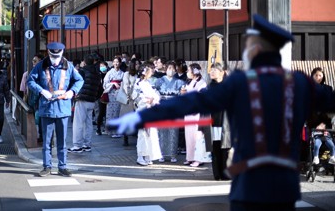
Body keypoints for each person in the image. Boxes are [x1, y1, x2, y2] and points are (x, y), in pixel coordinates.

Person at [108, 14, 335, 210]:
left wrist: (141, 116)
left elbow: (191, 102)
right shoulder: (300, 83)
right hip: (284, 183)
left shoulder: (241, 83)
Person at [27, 42, 84, 177]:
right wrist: (41, 91)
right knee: (46, 141)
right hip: (47, 108)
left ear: (62, 53)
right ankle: (47, 166)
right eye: (53, 56)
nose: (55, 59)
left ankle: (62, 166)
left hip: (63, 108)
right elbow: (30, 81)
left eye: (58, 56)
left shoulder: (68, 66)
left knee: (62, 141)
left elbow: (79, 80)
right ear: (49, 53)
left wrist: (72, 92)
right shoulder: (41, 66)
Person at [69, 54, 101, 153]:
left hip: (82, 99)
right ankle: (87, 144)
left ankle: (77, 145)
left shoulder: (82, 71)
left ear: (85, 62)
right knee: (88, 123)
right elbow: (100, 88)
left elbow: (75, 83)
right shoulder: (97, 73)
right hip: (92, 100)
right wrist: (95, 97)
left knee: (78, 123)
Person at [132, 62, 162, 166]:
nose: (152, 72)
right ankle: (140, 156)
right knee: (143, 134)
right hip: (142, 110)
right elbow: (135, 97)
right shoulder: (138, 83)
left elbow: (156, 95)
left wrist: (154, 100)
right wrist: (146, 100)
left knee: (151, 134)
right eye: (150, 69)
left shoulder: (148, 83)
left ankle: (149, 155)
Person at [155, 60, 185, 163]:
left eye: (173, 68)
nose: (171, 70)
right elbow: (155, 93)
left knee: (173, 131)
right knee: (161, 131)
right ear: (165, 69)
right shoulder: (159, 81)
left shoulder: (179, 82)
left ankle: (173, 154)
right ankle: (161, 154)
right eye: (169, 68)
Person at [181, 63, 208, 167]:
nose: (188, 72)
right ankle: (190, 157)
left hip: (196, 112)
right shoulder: (191, 81)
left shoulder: (202, 83)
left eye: (189, 70)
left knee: (197, 136)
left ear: (194, 72)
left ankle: (199, 158)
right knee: (189, 136)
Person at [209, 62, 231, 180]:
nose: (211, 72)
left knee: (226, 148)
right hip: (213, 122)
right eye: (211, 70)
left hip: (226, 122)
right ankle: (217, 174)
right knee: (215, 148)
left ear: (222, 72)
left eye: (214, 70)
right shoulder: (209, 87)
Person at [309, 67, 335, 165]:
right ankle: (314, 159)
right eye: (316, 75)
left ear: (323, 76)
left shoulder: (328, 89)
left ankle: (331, 157)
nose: (318, 77)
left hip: (326, 119)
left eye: (320, 75)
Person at [20, 53, 44, 142]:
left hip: (40, 100)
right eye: (33, 61)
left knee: (39, 119)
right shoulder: (28, 73)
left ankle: (40, 136)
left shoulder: (44, 73)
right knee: (35, 119)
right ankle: (36, 136)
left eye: (35, 61)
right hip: (32, 100)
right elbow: (23, 89)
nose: (33, 63)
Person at [119, 58, 141, 146]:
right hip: (128, 98)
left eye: (138, 64)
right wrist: (129, 93)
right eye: (136, 64)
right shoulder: (127, 74)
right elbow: (125, 84)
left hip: (137, 98)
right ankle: (125, 137)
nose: (138, 66)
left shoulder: (139, 74)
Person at [103, 56, 124, 137]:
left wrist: (120, 84)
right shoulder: (109, 73)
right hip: (111, 93)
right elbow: (105, 84)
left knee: (117, 111)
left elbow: (124, 82)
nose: (116, 63)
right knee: (110, 111)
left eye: (117, 62)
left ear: (120, 63)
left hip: (119, 93)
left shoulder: (122, 73)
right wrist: (113, 83)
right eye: (114, 62)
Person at [96, 60, 109, 135]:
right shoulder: (98, 75)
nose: (102, 68)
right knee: (101, 112)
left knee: (108, 112)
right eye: (100, 66)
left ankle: (107, 127)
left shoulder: (108, 74)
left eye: (103, 66)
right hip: (101, 95)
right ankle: (98, 128)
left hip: (109, 94)